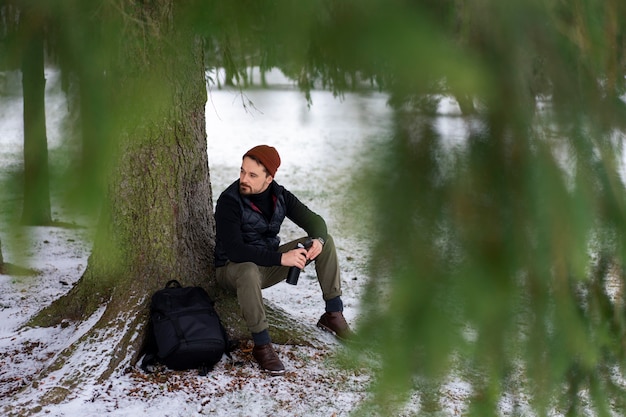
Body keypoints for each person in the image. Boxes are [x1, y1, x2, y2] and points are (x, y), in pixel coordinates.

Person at [214, 144, 352, 375]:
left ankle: (333, 314)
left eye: (252, 174)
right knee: (247, 269)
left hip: (267, 266)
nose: (243, 179)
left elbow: (316, 222)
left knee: (324, 242)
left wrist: (318, 239)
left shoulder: (280, 195)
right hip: (232, 270)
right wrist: (281, 258)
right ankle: (262, 344)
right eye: (242, 171)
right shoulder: (229, 201)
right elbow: (236, 251)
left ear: (269, 178)